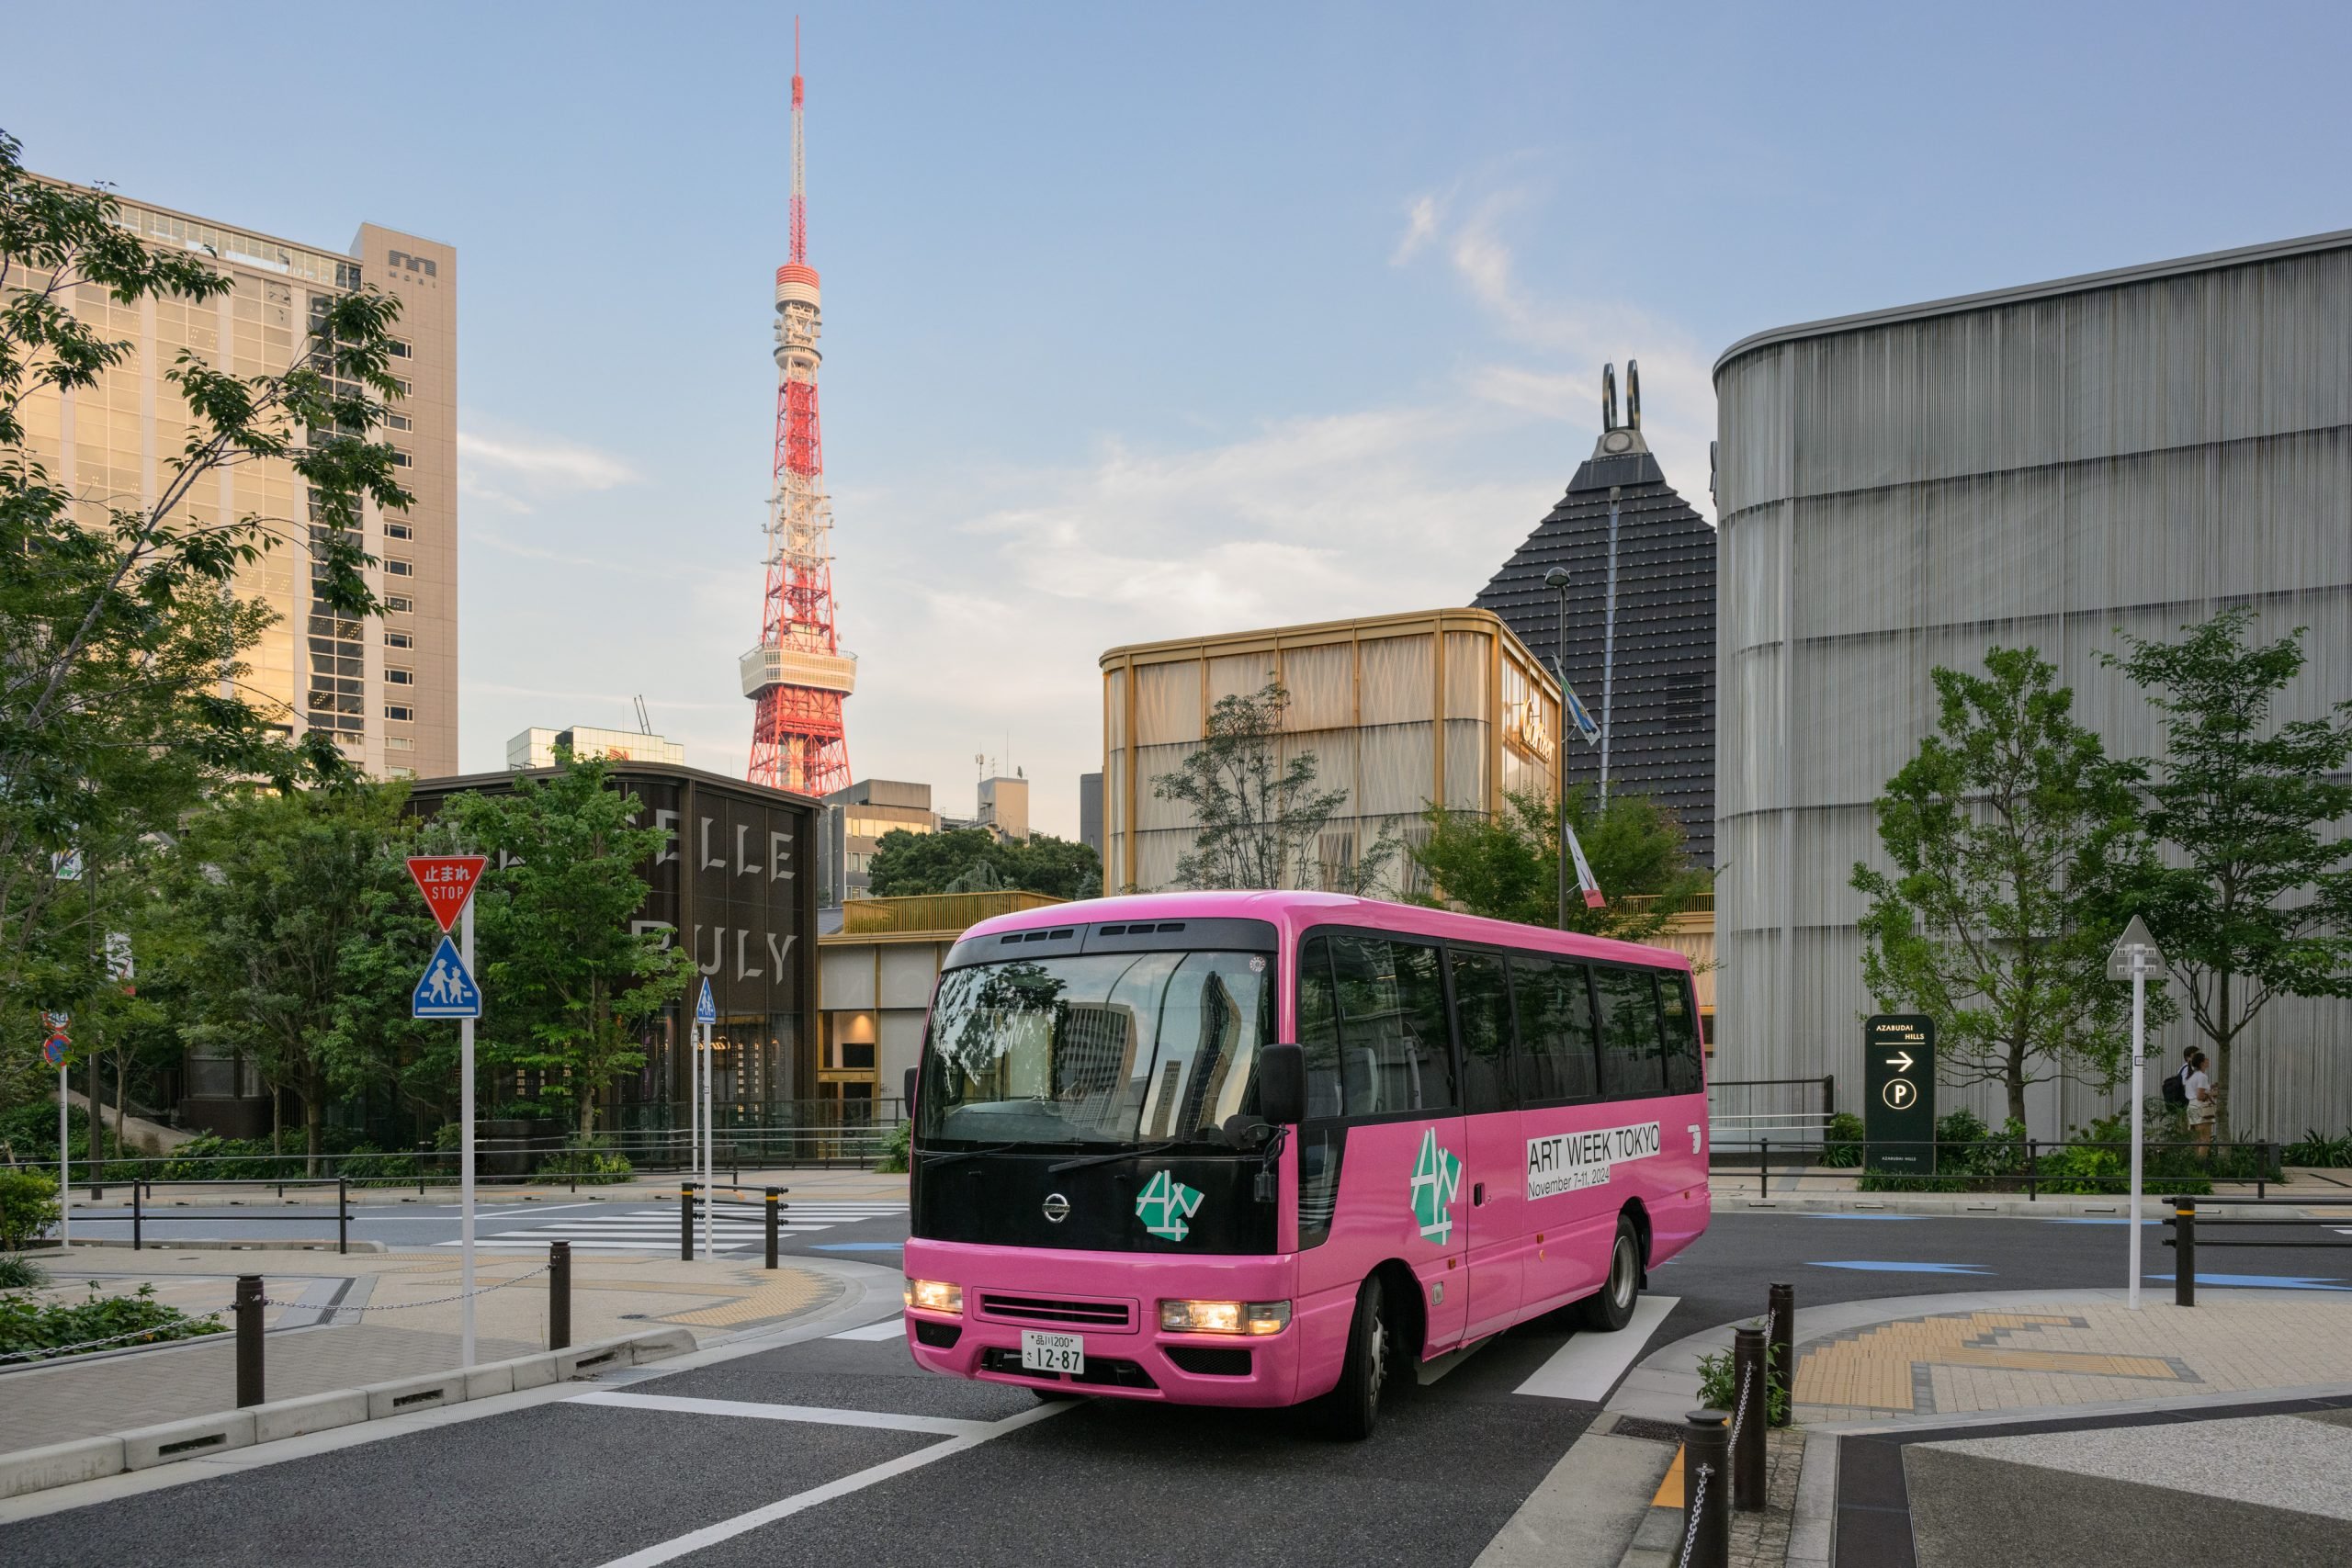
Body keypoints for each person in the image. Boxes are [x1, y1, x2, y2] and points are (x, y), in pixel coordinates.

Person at [2183, 1049, 2215, 1151]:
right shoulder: (2202, 1077)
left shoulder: (2190, 1076)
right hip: (2200, 1108)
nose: (2208, 1061)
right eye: (2205, 1059)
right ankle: (2201, 1163)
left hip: (2191, 1107)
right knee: (2205, 1139)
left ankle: (2195, 1162)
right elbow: (2200, 1096)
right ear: (2202, 1063)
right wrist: (2211, 1095)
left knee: (2197, 1139)